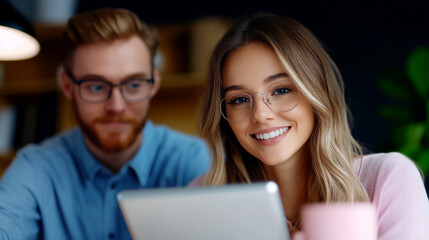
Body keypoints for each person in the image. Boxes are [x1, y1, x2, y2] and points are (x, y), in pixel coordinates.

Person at [190, 13, 429, 239]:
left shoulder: (387, 180)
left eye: (281, 90)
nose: (261, 115)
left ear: (317, 93)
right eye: (239, 100)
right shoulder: (203, 195)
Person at [0, 8, 210, 239]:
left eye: (133, 85)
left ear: (153, 84)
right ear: (68, 86)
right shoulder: (36, 169)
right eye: (96, 86)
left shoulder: (193, 161)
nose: (116, 106)